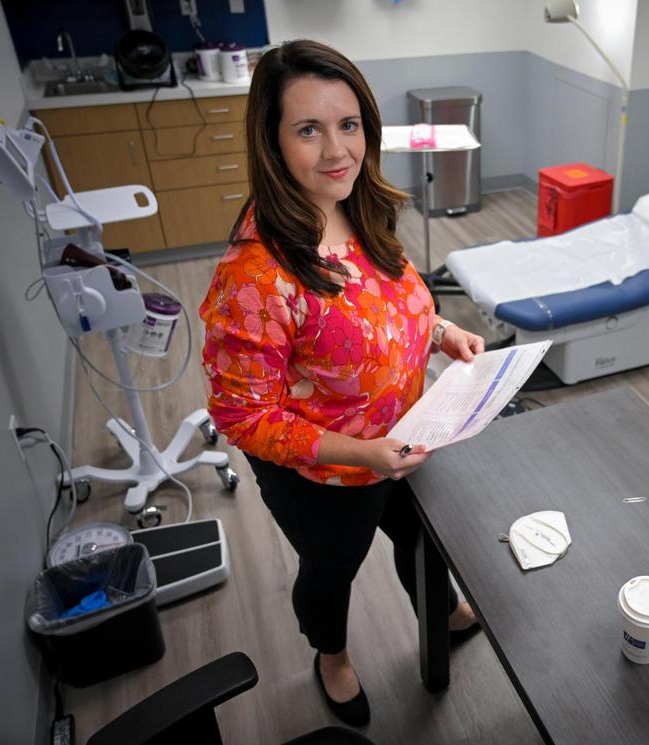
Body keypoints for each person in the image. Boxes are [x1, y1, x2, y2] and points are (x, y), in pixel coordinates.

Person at [199, 39, 483, 728]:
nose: (337, 150)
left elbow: (395, 294)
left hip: (405, 440)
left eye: (348, 124)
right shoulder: (257, 274)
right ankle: (330, 654)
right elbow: (241, 416)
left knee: (425, 537)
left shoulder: (363, 207)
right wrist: (364, 455)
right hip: (325, 476)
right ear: (272, 141)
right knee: (334, 569)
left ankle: (438, 608)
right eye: (308, 129)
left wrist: (441, 331)